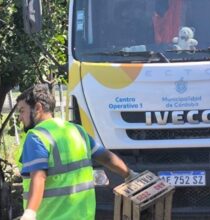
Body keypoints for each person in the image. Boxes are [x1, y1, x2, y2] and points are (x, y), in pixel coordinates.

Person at [16, 84, 137, 220]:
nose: (20, 118)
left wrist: (30, 213)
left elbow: (38, 177)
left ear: (38, 108)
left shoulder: (36, 137)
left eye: (22, 111)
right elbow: (106, 157)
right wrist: (129, 174)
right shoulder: (77, 130)